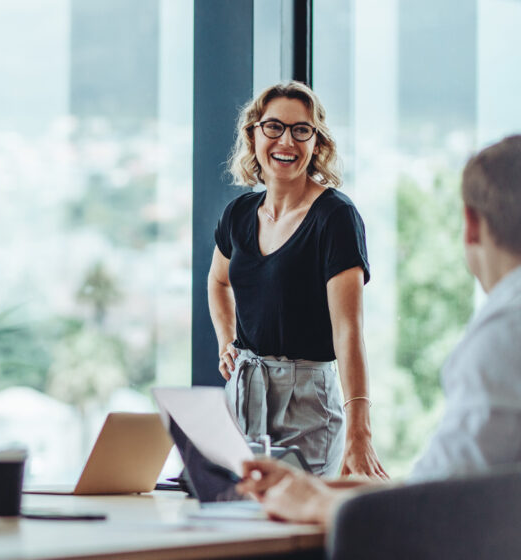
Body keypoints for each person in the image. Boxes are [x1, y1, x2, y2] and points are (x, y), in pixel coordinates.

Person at [237, 135, 521, 524]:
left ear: (471, 225)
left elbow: (434, 508)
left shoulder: (504, 334)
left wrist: (314, 503)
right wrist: (317, 487)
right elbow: (446, 483)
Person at [209, 81, 385, 478]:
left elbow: (348, 331)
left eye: (300, 130)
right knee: (236, 521)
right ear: (253, 134)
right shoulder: (238, 214)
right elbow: (218, 282)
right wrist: (226, 341)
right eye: (273, 127)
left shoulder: (335, 218)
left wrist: (361, 431)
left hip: (307, 400)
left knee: (297, 529)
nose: (285, 141)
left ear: (317, 143)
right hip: (242, 392)